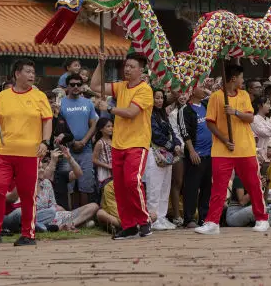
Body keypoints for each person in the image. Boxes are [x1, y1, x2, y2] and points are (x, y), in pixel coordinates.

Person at [0, 59, 53, 247]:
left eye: (33, 72)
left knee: (27, 194)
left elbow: (47, 120)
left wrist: (45, 141)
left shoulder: (39, 96)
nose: (31, 76)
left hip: (29, 153)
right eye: (28, 72)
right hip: (4, 152)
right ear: (17, 74)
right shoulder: (3, 96)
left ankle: (28, 233)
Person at [196, 63, 269, 235]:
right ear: (233, 78)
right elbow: (210, 123)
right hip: (222, 148)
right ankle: (212, 222)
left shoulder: (243, 95)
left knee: (253, 184)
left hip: (245, 148)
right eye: (242, 78)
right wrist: (224, 139)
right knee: (219, 187)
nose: (243, 81)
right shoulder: (216, 97)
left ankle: (262, 218)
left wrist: (234, 112)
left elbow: (250, 118)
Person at [90, 51, 154, 240]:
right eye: (126, 66)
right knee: (119, 186)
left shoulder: (144, 89)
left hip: (137, 143)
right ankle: (129, 226)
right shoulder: (121, 87)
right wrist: (101, 65)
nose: (127, 69)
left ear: (141, 71)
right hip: (119, 143)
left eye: (132, 66)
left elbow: (131, 112)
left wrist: (108, 108)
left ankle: (144, 221)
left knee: (132, 182)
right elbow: (95, 86)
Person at [61, 75, 99, 207]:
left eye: (78, 84)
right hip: (67, 150)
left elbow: (93, 124)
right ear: (67, 87)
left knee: (86, 184)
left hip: (86, 149)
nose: (76, 87)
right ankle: (70, 215)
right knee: (69, 184)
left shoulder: (88, 103)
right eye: (72, 84)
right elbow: (60, 126)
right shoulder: (61, 104)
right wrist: (72, 142)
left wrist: (83, 141)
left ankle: (85, 216)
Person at [179, 81, 213, 229]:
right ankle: (189, 218)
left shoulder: (206, 105)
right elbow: (184, 132)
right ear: (192, 91)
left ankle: (204, 217)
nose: (203, 90)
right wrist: (192, 151)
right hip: (196, 154)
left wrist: (209, 89)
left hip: (210, 154)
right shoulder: (185, 110)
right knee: (192, 188)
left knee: (207, 187)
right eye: (200, 87)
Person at [147, 88, 181, 230]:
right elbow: (155, 134)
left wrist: (177, 143)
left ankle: (161, 216)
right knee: (154, 186)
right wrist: (173, 146)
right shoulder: (149, 114)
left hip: (167, 154)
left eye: (161, 98)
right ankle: (153, 218)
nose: (159, 100)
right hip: (154, 152)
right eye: (157, 98)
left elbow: (171, 131)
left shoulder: (163, 114)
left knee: (165, 186)